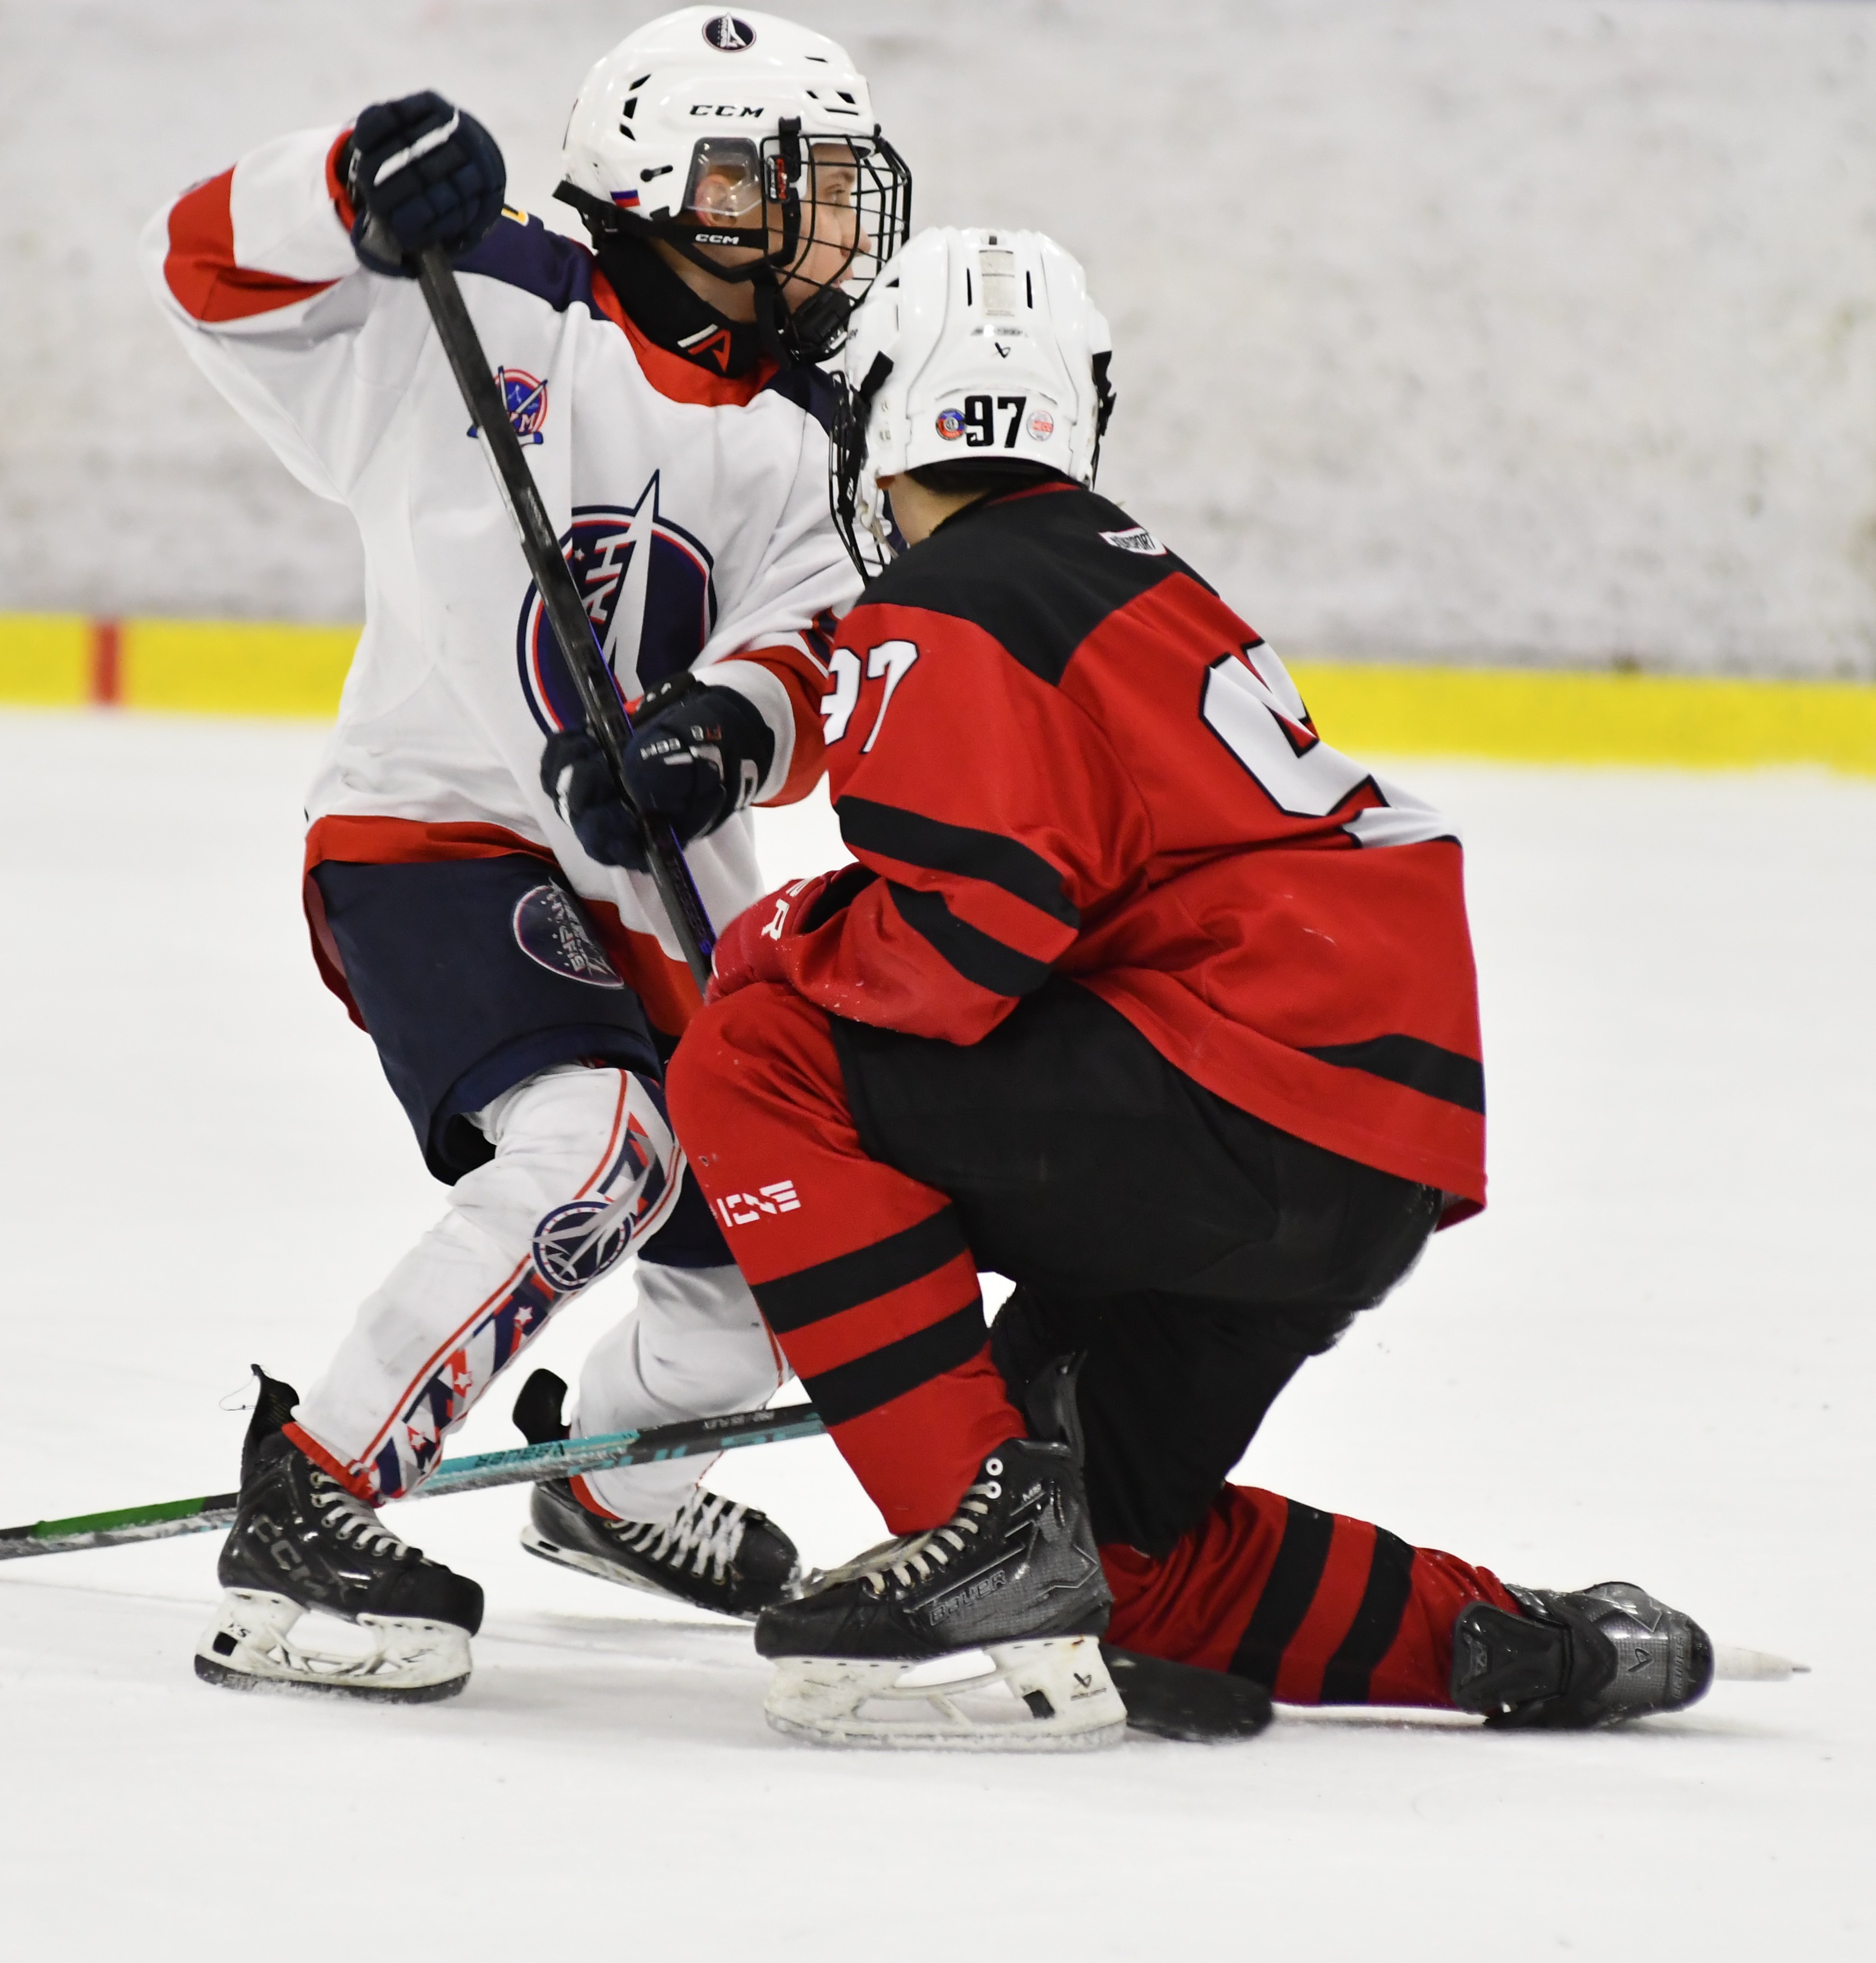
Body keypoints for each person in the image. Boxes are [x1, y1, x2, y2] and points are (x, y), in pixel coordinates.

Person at [664, 226, 1717, 1749]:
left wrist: (778, 938)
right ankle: (1531, 1643)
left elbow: (968, 943)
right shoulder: (1130, 580)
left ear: (885, 413)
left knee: (753, 1054)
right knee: (1109, 1559)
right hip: (1361, 1153)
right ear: (1073, 407)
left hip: (1234, 1095)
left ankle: (977, 1535)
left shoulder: (948, 601)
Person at [140, 6, 910, 1700]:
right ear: (654, 181)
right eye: (766, 180)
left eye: (831, 184)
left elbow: (809, 645)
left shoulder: (817, 428)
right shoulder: (473, 292)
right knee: (596, 1141)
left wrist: (716, 737)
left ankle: (615, 1486)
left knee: (760, 1241)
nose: (817, 219)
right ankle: (314, 1499)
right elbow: (203, 262)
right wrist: (342, 184)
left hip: (662, 886)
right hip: (432, 826)